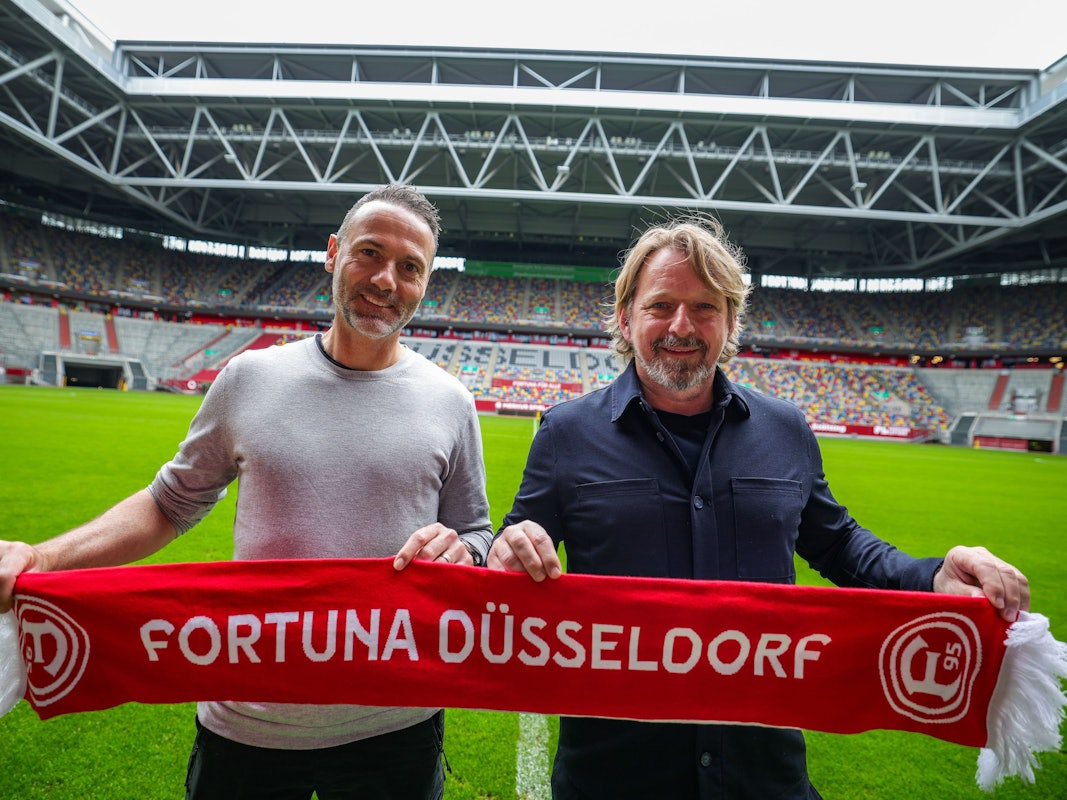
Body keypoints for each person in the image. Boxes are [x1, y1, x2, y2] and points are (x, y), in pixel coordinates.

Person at [488, 214, 1030, 800]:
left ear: (730, 321)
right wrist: (508, 550)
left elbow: (839, 543)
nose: (681, 325)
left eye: (704, 307)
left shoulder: (785, 429)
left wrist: (933, 576)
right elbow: (516, 544)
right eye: (660, 305)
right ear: (625, 317)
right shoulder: (567, 432)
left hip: (764, 770)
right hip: (614, 772)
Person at [0, 183, 493, 800]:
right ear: (333, 253)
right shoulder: (250, 377)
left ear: (425, 283)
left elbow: (476, 531)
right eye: (369, 253)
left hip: (396, 724)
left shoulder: (451, 401)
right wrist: (41, 559)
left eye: (410, 267)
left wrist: (465, 552)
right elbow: (168, 503)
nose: (386, 280)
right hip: (249, 723)